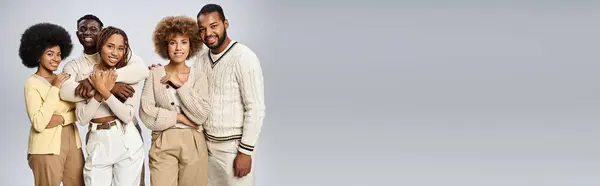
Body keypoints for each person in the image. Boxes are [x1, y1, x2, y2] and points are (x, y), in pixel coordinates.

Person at [59, 14, 148, 185]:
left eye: (120, 48)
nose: (115, 52)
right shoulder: (81, 71)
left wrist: (104, 86)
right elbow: (82, 118)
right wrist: (101, 89)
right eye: (110, 46)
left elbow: (127, 115)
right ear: (102, 45)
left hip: (126, 138)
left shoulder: (128, 70)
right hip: (97, 140)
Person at [196, 4, 266, 186]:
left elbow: (255, 108)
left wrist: (245, 152)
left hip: (233, 150)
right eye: (202, 29)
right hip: (207, 148)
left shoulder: (244, 57)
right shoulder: (201, 60)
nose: (208, 33)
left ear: (225, 24)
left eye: (214, 26)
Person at [139, 15, 211, 186]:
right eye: (173, 42)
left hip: (194, 143)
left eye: (184, 42)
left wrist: (180, 85)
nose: (178, 48)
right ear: (165, 45)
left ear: (191, 44)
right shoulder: (154, 74)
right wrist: (178, 118)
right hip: (163, 140)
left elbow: (201, 116)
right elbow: (146, 114)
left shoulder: (199, 77)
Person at [20, 22, 84, 186]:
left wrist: (61, 119)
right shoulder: (32, 83)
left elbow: (78, 112)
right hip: (45, 148)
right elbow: (40, 123)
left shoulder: (65, 79)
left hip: (73, 144)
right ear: (37, 55)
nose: (56, 59)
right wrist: (54, 87)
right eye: (50, 54)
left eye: (58, 54)